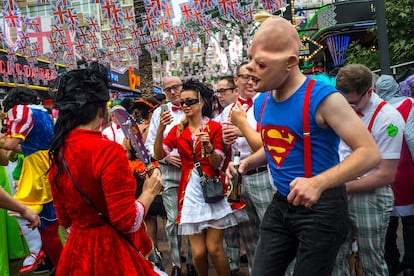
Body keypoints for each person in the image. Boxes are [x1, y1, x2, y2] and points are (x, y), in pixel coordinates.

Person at [228, 16, 381, 275]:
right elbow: (278, 146)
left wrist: (317, 182)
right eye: (251, 58)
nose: (250, 69)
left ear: (290, 63)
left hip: (321, 207)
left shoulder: (324, 99)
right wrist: (247, 162)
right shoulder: (262, 101)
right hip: (282, 203)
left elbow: (369, 153)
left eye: (261, 64)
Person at [48, 62, 164, 275]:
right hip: (112, 253)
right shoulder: (107, 151)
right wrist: (149, 192)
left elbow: (64, 220)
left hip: (77, 251)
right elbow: (127, 221)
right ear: (102, 108)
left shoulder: (59, 151)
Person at [154, 80, 245, 276]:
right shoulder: (178, 130)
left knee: (214, 248)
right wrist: (161, 129)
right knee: (198, 253)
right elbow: (159, 155)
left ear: (202, 102)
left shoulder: (214, 127)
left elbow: (216, 164)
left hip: (213, 190)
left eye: (189, 101)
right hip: (189, 194)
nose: (184, 106)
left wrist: (210, 148)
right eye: (182, 103)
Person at [332, 65, 405, 275]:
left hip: (370, 196)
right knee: (336, 258)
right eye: (343, 102)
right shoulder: (341, 108)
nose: (348, 108)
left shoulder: (389, 118)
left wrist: (342, 186)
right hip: (340, 192)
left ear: (370, 91)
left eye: (353, 102)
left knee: (371, 261)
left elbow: (386, 174)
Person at [217, 62, 275, 274]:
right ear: (236, 81)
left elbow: (270, 143)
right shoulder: (227, 111)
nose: (251, 82)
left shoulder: (267, 104)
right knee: (246, 230)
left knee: (271, 229)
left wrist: (242, 130)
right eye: (246, 77)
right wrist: (223, 140)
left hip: (261, 173)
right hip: (235, 176)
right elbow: (224, 147)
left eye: (254, 77)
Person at [0, 87, 63, 273]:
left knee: (22, 210)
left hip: (37, 173)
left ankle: (43, 255)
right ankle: (54, 262)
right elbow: (29, 147)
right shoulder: (42, 112)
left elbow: (10, 144)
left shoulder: (21, 111)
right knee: (48, 227)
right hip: (47, 166)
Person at [145, 76, 196, 276]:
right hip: (170, 173)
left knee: (191, 218)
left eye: (176, 87)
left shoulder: (192, 107)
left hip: (193, 173)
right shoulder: (160, 112)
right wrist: (166, 158)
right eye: (168, 90)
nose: (173, 92)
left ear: (183, 88)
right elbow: (150, 145)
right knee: (173, 220)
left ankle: (192, 262)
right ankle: (176, 263)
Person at [376, 74, 414, 276]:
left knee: (387, 223)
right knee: (411, 222)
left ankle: (391, 262)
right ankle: (410, 264)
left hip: (385, 170)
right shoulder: (410, 104)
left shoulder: (377, 110)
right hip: (408, 169)